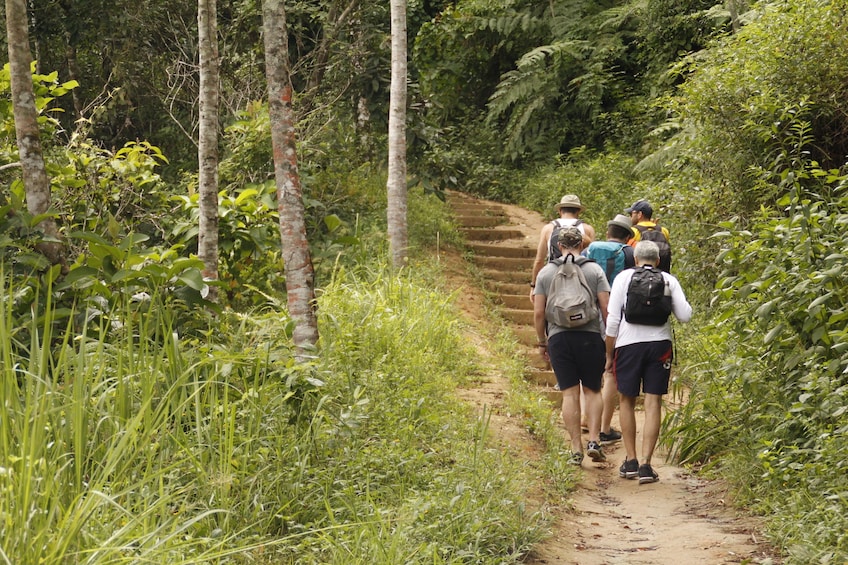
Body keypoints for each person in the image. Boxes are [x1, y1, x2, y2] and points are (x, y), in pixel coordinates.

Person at [604, 240, 692, 484]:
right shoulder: (668, 280)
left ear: (634, 258)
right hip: (659, 346)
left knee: (627, 400)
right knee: (653, 402)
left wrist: (609, 355)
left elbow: (612, 321)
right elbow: (685, 315)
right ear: (659, 260)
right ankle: (646, 465)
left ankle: (630, 460)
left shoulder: (623, 278)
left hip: (627, 345)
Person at [533, 226, 610, 466]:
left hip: (559, 337)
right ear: (582, 244)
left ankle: (576, 448)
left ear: (557, 246)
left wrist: (541, 341)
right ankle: (594, 440)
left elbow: (538, 313)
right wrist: (609, 341)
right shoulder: (594, 270)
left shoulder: (546, 273)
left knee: (569, 393)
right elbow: (607, 309)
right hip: (589, 336)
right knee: (593, 390)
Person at [586, 213, 636, 444]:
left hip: (587, 314)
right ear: (628, 237)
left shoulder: (591, 248)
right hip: (617, 318)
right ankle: (604, 428)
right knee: (610, 373)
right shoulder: (629, 253)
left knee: (587, 373)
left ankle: (588, 420)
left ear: (607, 232)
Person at [530, 194, 596, 303]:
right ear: (578, 211)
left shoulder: (548, 229)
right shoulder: (587, 229)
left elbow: (539, 261)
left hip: (553, 276)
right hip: (580, 278)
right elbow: (592, 257)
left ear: (560, 210)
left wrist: (533, 285)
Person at [624, 199, 672, 272]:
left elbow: (627, 254)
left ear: (639, 214)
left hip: (640, 273)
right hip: (660, 272)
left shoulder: (633, 231)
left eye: (631, 214)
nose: (630, 217)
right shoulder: (663, 231)